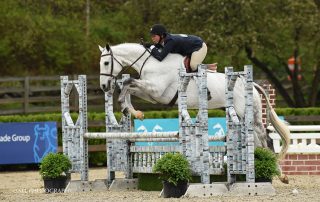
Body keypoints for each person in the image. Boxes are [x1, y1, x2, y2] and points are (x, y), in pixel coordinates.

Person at [143, 24, 217, 72]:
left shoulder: (170, 41)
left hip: (199, 47)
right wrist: (148, 45)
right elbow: (159, 48)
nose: (152, 38)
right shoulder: (165, 40)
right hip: (191, 46)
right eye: (151, 36)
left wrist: (151, 46)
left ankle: (208, 67)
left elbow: (160, 57)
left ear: (161, 35)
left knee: (193, 66)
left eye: (154, 36)